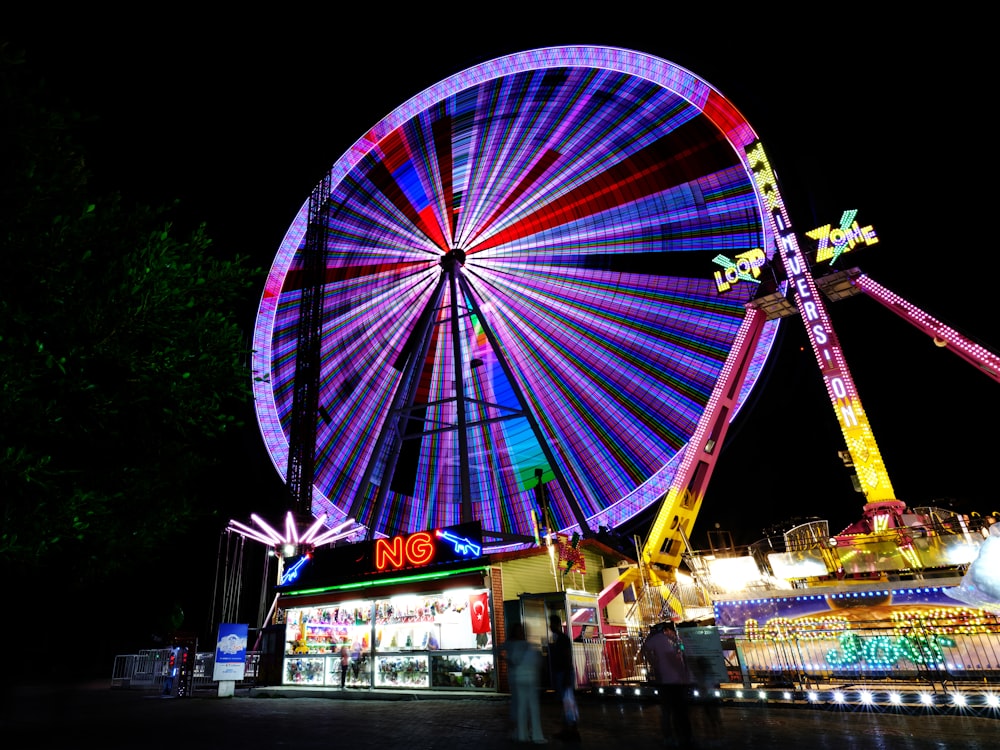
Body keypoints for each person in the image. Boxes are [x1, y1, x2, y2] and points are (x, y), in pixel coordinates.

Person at [641, 621, 695, 750]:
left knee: (673, 711)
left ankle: (678, 737)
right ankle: (676, 737)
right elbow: (646, 649)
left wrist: (653, 661)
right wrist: (653, 662)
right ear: (666, 630)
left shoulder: (673, 639)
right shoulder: (662, 639)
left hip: (673, 681)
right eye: (671, 630)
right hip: (670, 681)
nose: (672, 632)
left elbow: (645, 649)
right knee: (674, 711)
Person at [503, 623, 547, 744]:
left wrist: (507, 660)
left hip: (518, 679)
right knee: (533, 707)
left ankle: (522, 734)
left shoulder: (511, 644)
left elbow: (509, 658)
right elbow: (537, 662)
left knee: (521, 707)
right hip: (530, 679)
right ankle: (536, 736)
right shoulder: (527, 645)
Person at [549, 614, 579, 741]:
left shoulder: (562, 639)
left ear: (556, 624)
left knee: (567, 701)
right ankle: (568, 729)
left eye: (551, 624)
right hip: (563, 673)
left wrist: (566, 675)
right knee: (566, 701)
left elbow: (566, 657)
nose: (550, 627)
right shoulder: (560, 639)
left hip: (564, 673)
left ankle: (572, 730)